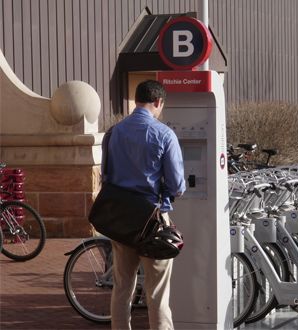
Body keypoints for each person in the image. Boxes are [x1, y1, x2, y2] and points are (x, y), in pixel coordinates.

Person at [101, 79, 186, 330]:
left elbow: (106, 177)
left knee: (122, 287)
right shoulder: (164, 134)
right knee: (157, 292)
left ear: (136, 100)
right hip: (153, 221)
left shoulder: (113, 132)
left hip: (120, 219)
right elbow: (177, 187)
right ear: (158, 102)